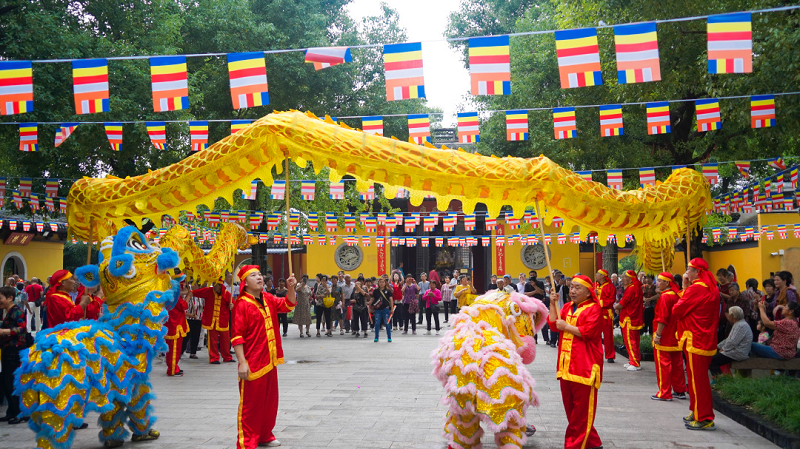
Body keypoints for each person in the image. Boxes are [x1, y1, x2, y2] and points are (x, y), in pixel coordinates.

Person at [232, 266, 296, 448]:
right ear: (245, 283)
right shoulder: (242, 304)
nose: (259, 277)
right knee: (251, 406)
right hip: (252, 362)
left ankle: (264, 435)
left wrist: (291, 288)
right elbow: (237, 336)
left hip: (270, 359)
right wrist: (242, 362)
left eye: (259, 274)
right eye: (254, 275)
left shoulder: (267, 298)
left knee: (269, 402)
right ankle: (247, 442)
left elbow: (288, 305)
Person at [546, 275, 604, 449]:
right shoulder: (567, 307)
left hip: (584, 366)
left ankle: (574, 445)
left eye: (577, 288)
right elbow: (554, 325)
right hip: (566, 366)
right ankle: (592, 442)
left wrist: (567, 327)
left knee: (581, 412)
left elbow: (589, 331)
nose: (572, 291)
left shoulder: (594, 308)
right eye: (571, 287)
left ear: (588, 292)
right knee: (572, 411)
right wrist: (551, 304)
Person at [672, 258, 720, 431]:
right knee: (694, 380)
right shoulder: (710, 287)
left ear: (696, 272)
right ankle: (696, 411)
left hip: (696, 339)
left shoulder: (697, 288)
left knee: (698, 381)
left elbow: (677, 310)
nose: (686, 273)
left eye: (688, 270)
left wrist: (684, 287)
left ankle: (705, 417)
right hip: (702, 338)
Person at [652, 272, 687, 401]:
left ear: (667, 283)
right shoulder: (676, 295)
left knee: (664, 364)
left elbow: (662, 318)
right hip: (675, 335)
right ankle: (679, 390)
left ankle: (664, 392)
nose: (657, 283)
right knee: (677, 364)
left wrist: (658, 335)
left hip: (665, 335)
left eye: (660, 281)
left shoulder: (665, 297)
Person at [0, 285, 28, 424]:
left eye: (1, 298)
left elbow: (22, 328)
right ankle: (11, 411)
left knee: (12, 382)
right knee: (6, 382)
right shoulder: (7, 311)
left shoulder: (17, 311)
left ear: (10, 298)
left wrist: (4, 331)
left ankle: (20, 412)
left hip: (14, 350)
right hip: (7, 349)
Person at [193, 277, 233, 364]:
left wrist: (232, 306)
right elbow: (196, 292)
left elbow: (234, 305)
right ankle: (214, 358)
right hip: (212, 321)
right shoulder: (209, 291)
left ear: (220, 285)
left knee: (226, 341)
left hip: (223, 321)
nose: (214, 287)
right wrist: (190, 292)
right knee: (212, 341)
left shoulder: (227, 294)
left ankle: (227, 357)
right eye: (213, 285)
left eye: (216, 285)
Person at [710, 306, 753, 376]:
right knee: (713, 355)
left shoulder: (740, 325)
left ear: (732, 315)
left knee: (712, 361)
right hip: (736, 350)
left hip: (739, 352)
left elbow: (733, 342)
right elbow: (728, 339)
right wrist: (718, 346)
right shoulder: (738, 324)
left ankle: (721, 380)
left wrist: (724, 348)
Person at [614, 270, 644, 371]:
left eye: (624, 277)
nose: (622, 279)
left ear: (630, 279)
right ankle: (632, 360)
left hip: (630, 318)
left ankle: (635, 362)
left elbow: (622, 303)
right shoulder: (634, 287)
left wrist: (616, 307)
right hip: (630, 317)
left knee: (631, 341)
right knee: (631, 340)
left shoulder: (631, 289)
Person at [165, 281, 189, 377]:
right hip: (174, 325)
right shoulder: (175, 297)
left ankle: (174, 366)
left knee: (173, 349)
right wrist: (189, 297)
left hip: (172, 325)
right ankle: (172, 369)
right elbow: (184, 306)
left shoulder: (170, 295)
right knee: (174, 349)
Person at [595, 269, 616, 363]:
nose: (596, 275)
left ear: (603, 276)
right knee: (595, 335)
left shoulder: (610, 286)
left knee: (608, 336)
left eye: (598, 274)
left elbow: (611, 300)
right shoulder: (594, 285)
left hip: (606, 314)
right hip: (595, 313)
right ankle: (595, 353)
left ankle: (610, 355)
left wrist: (599, 302)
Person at [183, 279, 204, 359]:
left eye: (195, 285)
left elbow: (203, 307)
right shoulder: (187, 296)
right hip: (189, 318)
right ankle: (181, 351)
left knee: (196, 336)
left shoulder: (201, 297)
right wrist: (190, 314)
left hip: (198, 318)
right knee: (186, 336)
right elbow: (184, 308)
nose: (193, 286)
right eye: (192, 285)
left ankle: (193, 352)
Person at [371, 277, 393, 342]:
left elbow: (391, 299)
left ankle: (389, 337)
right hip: (377, 309)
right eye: (380, 282)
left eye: (383, 282)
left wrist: (391, 308)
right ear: (378, 283)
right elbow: (372, 299)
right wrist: (370, 307)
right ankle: (376, 337)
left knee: (387, 323)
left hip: (385, 309)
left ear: (385, 283)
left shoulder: (388, 291)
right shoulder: (375, 291)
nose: (381, 283)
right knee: (377, 323)